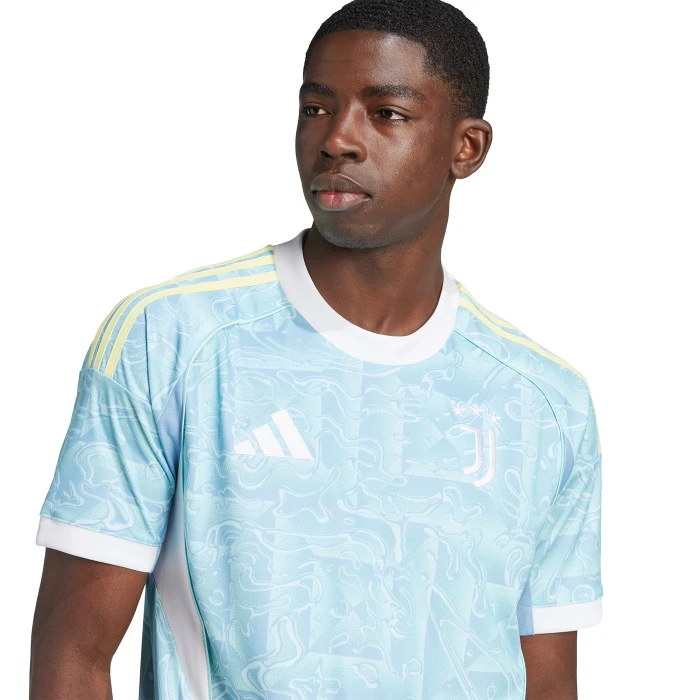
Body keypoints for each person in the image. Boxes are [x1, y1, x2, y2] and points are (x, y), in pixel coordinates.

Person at [30, 1, 603, 698]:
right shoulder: (170, 339)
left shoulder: (542, 402)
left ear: (468, 147)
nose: (338, 139)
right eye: (316, 109)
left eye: (386, 113)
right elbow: (73, 655)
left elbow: (547, 679)